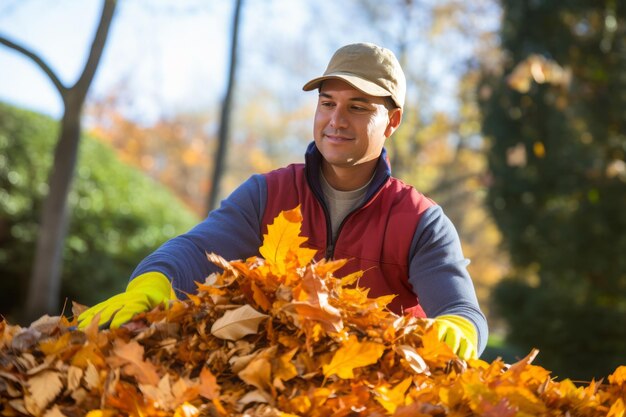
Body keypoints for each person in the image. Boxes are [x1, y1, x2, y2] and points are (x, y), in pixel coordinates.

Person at [78, 42, 488, 359]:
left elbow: (461, 310)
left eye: (358, 107)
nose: (336, 120)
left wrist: (458, 330)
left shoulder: (419, 221)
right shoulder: (269, 193)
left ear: (393, 121)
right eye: (327, 103)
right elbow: (197, 248)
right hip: (275, 386)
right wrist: (155, 281)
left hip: (377, 393)